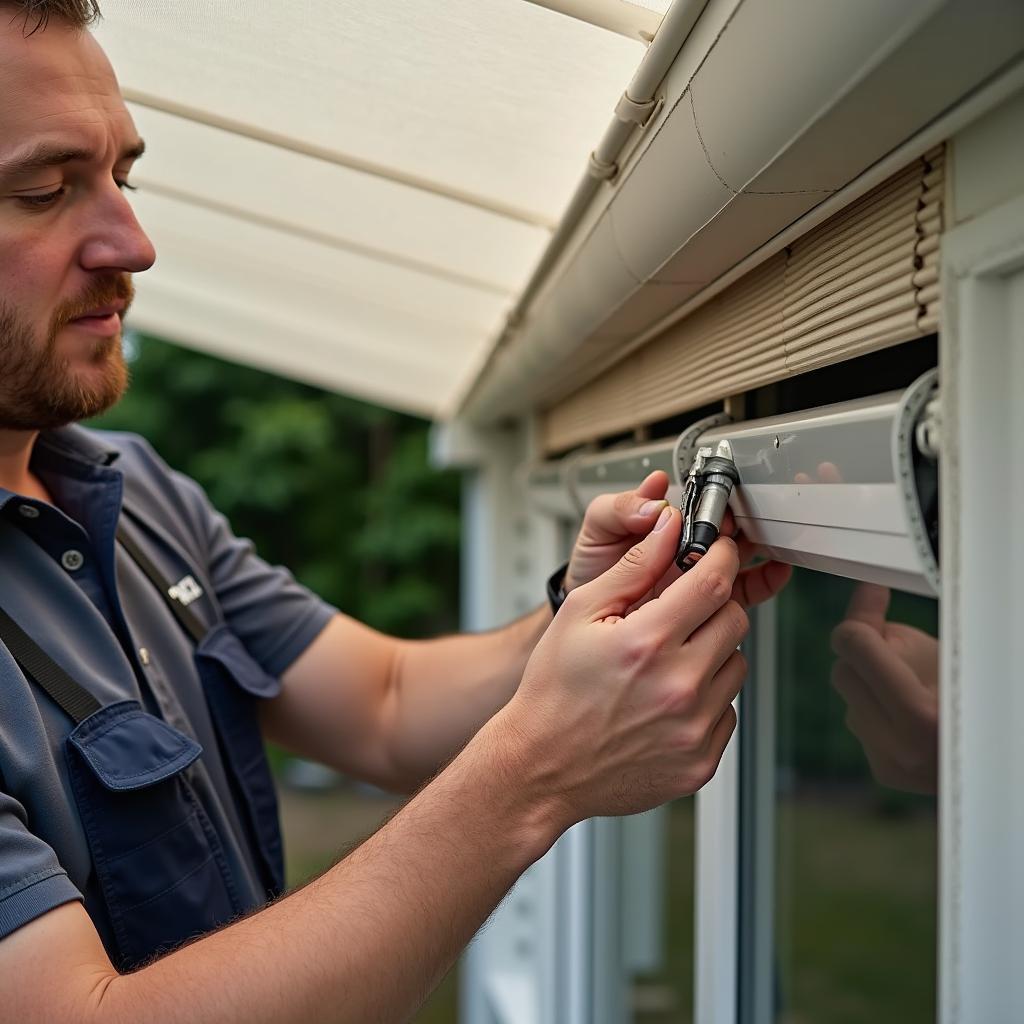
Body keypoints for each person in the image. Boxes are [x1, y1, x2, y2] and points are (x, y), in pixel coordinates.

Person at [0, 3, 792, 1021]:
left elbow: (383, 700)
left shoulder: (131, 487)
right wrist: (536, 773)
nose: (134, 242)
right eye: (45, 189)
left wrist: (583, 611)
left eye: (124, 177)